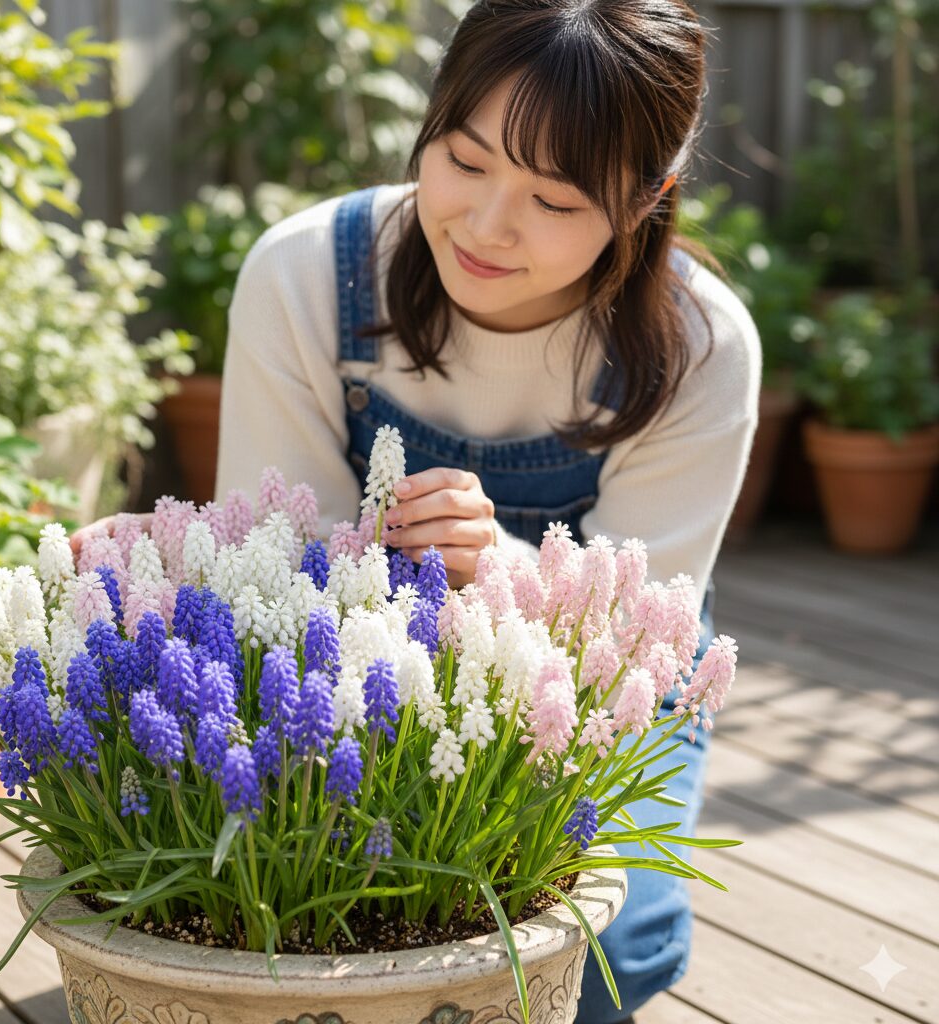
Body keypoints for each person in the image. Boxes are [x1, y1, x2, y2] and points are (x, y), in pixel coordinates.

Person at [72, 1, 760, 1019]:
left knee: (608, 952)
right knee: (296, 898)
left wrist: (502, 567)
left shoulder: (699, 345)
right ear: (429, 120)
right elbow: (276, 557)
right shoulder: (309, 273)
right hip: (341, 653)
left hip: (587, 676)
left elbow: (636, 626)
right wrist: (179, 555)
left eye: (554, 198)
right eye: (464, 159)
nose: (486, 224)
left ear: (645, 198)